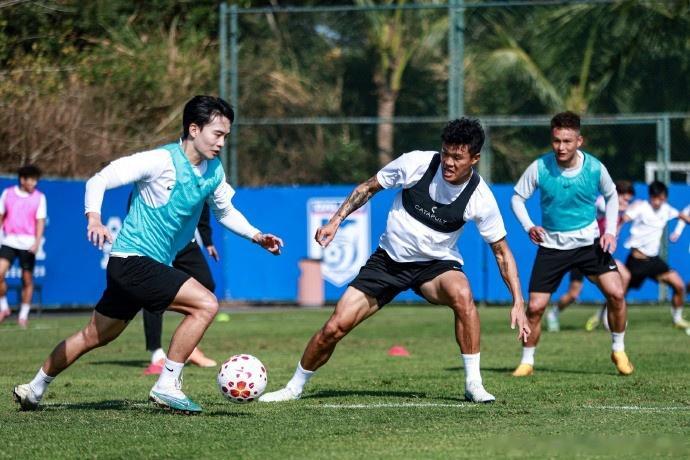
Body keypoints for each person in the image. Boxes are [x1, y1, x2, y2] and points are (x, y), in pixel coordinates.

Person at [12, 95, 283, 414]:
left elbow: (225, 211)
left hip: (141, 266)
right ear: (194, 129)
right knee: (206, 304)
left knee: (93, 335)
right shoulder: (161, 161)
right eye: (217, 134)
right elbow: (99, 179)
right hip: (132, 261)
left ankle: (33, 388)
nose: (222, 143)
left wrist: (256, 235)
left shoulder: (213, 171)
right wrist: (94, 218)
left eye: (226, 136)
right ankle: (167, 384)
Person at [259, 118, 530, 405]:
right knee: (334, 328)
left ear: (474, 159)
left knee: (462, 294)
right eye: (445, 153)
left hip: (434, 266)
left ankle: (473, 384)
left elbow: (502, 252)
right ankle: (293, 388)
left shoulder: (481, 197)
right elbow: (368, 188)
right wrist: (335, 221)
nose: (448, 162)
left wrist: (518, 301)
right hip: (388, 262)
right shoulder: (416, 163)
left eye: (457, 157)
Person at [510, 111, 634, 377]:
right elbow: (517, 199)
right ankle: (527, 362)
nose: (561, 147)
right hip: (552, 247)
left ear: (579, 141)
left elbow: (612, 196)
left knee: (616, 293)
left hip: (589, 244)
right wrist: (529, 226)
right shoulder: (539, 167)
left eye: (567, 141)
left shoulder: (595, 168)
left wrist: (610, 232)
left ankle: (618, 349)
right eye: (556, 141)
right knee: (535, 308)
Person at [544, 180, 635, 332]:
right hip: (583, 252)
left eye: (628, 201)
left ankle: (606, 314)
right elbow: (604, 206)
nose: (626, 203)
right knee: (574, 293)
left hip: (600, 255)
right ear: (616, 195)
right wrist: (626, 208)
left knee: (624, 277)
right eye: (624, 199)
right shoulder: (602, 202)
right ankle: (554, 313)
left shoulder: (621, 212)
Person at [142, 202, 218, 375]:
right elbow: (137, 201)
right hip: (156, 241)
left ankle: (190, 348)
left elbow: (202, 203)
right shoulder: (154, 184)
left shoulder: (197, 185)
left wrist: (207, 241)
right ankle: (157, 354)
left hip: (184, 240)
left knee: (206, 284)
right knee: (153, 292)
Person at [621, 181, 690, 329]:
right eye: (655, 198)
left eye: (661, 198)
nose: (657, 201)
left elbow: (682, 216)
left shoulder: (666, 209)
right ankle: (604, 316)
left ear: (665, 197)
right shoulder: (641, 207)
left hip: (654, 261)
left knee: (679, 286)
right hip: (636, 261)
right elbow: (624, 218)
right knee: (618, 294)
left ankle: (677, 319)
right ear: (650, 196)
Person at [0, 165, 47, 328]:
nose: (34, 183)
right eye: (31, 180)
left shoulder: (39, 197)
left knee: (27, 279)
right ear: (22, 180)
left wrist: (37, 242)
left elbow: (40, 221)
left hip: (28, 244)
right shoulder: (7, 194)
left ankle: (23, 316)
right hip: (9, 241)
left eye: (36, 180)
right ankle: (4, 307)